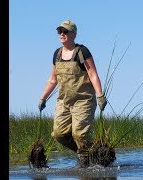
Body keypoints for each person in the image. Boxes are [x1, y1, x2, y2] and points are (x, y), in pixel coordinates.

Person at [38, 20, 107, 168]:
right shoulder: (57, 54)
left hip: (83, 101)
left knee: (79, 134)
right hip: (63, 101)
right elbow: (52, 79)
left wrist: (100, 96)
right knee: (59, 134)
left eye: (65, 31)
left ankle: (87, 162)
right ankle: (90, 153)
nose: (62, 34)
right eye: (60, 31)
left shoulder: (82, 52)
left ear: (74, 34)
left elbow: (93, 75)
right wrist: (43, 98)